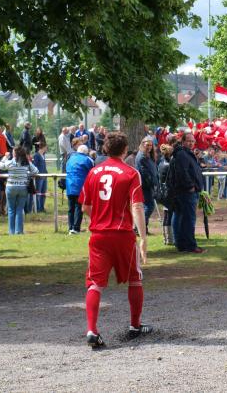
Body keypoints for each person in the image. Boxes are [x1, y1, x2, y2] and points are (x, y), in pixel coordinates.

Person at [79, 131, 152, 348]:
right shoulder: (130, 173)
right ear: (125, 149)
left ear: (104, 149)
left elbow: (85, 206)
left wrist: (100, 221)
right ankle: (135, 325)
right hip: (122, 235)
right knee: (135, 278)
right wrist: (143, 236)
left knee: (95, 283)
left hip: (99, 235)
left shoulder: (93, 172)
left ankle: (92, 329)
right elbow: (137, 206)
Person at [170, 133, 205, 253]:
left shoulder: (186, 153)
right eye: (189, 141)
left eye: (193, 141)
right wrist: (190, 186)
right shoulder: (182, 154)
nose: (191, 143)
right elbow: (182, 172)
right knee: (189, 219)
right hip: (186, 192)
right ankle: (190, 245)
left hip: (188, 191)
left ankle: (182, 244)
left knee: (184, 218)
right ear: (183, 141)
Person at [0, 146, 39, 235]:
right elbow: (36, 170)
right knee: (19, 209)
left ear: (15, 154)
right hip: (22, 187)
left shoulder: (10, 162)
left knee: (11, 210)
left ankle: (11, 231)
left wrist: (5, 157)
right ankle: (19, 231)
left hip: (11, 187)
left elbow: (0, 166)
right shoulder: (26, 163)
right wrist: (27, 174)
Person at [66, 145, 94, 235]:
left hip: (70, 185)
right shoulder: (88, 159)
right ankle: (76, 228)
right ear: (86, 152)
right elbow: (92, 172)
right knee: (79, 207)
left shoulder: (70, 158)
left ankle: (70, 227)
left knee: (71, 208)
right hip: (80, 186)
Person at [135, 137, 158, 234]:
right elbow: (145, 173)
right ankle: (138, 227)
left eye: (150, 145)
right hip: (145, 186)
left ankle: (143, 228)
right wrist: (152, 183)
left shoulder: (148, 156)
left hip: (149, 185)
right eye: (147, 145)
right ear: (143, 144)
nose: (149, 147)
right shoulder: (142, 157)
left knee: (147, 206)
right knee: (149, 206)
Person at [157, 143, 174, 245]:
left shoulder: (160, 163)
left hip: (163, 191)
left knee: (166, 215)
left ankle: (166, 238)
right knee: (169, 215)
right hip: (168, 192)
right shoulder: (168, 165)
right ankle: (170, 238)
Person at [33, 143, 48, 212]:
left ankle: (42, 207)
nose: (46, 148)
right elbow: (35, 166)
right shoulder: (36, 155)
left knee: (43, 192)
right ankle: (38, 208)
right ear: (42, 147)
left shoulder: (43, 155)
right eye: (46, 147)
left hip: (44, 176)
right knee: (38, 192)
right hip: (39, 177)